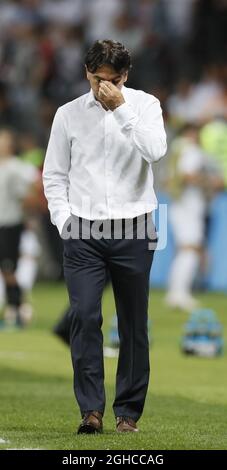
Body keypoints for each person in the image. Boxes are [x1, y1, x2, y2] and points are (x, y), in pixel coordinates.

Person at [43, 39, 167, 434]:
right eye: (98, 79)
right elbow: (55, 174)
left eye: (113, 80)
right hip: (83, 230)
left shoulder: (145, 106)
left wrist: (121, 110)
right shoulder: (67, 115)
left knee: (134, 324)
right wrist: (64, 221)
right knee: (83, 316)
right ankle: (91, 411)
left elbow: (156, 151)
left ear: (125, 76)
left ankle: (127, 415)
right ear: (86, 73)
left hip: (135, 226)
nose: (103, 87)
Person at [0, 128, 39, 326]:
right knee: (5, 269)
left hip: (10, 223)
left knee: (8, 268)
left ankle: (18, 308)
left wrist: (28, 208)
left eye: (4, 140)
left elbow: (34, 187)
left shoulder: (17, 167)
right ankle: (13, 307)